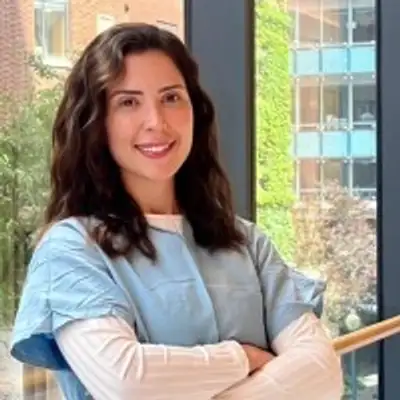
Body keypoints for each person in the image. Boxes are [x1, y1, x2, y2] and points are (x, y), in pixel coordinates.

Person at [10, 23, 343, 399]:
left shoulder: (247, 243)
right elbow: (128, 382)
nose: (157, 121)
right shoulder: (73, 249)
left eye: (171, 97)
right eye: (128, 102)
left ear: (195, 110)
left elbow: (322, 373)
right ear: (97, 122)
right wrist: (242, 359)